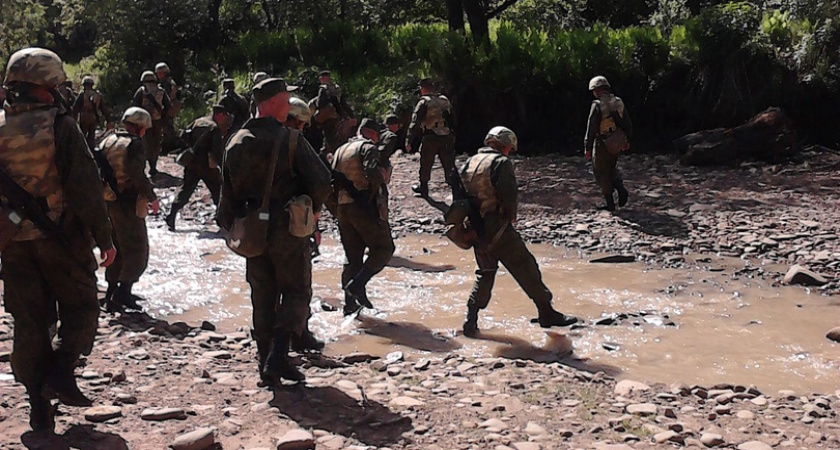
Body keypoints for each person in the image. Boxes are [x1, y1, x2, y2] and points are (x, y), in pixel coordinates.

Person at [0, 47, 116, 433]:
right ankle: (62, 370)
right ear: (46, 85)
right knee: (82, 307)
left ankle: (38, 405)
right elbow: (85, 187)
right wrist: (104, 237)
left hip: (12, 244)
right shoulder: (60, 125)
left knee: (30, 322)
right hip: (61, 239)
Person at [217, 78, 332, 383]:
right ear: (272, 103)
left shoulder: (235, 140)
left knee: (262, 294)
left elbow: (225, 192)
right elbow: (322, 181)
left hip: (252, 229)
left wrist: (229, 226)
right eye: (284, 100)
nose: (287, 106)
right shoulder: (291, 139)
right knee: (297, 290)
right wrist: (315, 210)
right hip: (288, 229)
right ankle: (278, 357)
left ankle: (264, 360)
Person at [459, 126, 578, 337]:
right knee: (526, 266)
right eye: (509, 148)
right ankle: (546, 312)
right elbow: (508, 194)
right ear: (504, 145)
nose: (509, 152)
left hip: (475, 229)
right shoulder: (500, 162)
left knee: (485, 273)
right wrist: (511, 216)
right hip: (498, 227)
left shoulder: (470, 162)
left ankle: (471, 320)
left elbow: (460, 195)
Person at [98, 107, 160, 312]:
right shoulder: (134, 144)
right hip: (127, 202)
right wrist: (152, 197)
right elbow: (137, 174)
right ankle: (123, 292)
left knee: (116, 246)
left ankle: (111, 290)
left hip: (108, 201)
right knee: (137, 248)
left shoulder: (108, 139)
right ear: (140, 126)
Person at [331, 119, 395, 316]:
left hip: (343, 207)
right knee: (384, 248)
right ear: (372, 134)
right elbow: (373, 173)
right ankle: (358, 284)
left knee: (352, 257)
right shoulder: (368, 148)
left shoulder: (340, 150)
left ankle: (350, 306)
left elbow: (330, 179)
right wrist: (378, 186)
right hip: (363, 206)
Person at [282, 96, 325, 352]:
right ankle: (298, 336)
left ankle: (268, 341)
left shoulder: (255, 140)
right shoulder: (297, 145)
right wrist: (316, 219)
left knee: (266, 285)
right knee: (298, 284)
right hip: (293, 225)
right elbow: (320, 183)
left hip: (258, 224)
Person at [165, 105, 230, 231]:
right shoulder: (214, 128)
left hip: (192, 163)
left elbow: (184, 136)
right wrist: (223, 165)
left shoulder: (197, 122)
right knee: (217, 191)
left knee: (186, 190)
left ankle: (171, 215)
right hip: (207, 166)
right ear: (220, 115)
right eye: (225, 116)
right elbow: (217, 151)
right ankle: (222, 221)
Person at [584, 75, 633, 211]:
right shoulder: (618, 101)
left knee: (600, 171)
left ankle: (610, 203)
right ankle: (621, 188)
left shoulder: (597, 105)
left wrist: (587, 147)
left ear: (597, 90)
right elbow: (627, 123)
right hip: (616, 141)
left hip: (603, 142)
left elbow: (592, 127)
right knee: (612, 167)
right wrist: (627, 140)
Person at [406, 78, 456, 197]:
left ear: (423, 89)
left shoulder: (424, 102)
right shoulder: (444, 100)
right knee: (449, 163)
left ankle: (424, 189)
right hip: (446, 135)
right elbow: (453, 118)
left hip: (431, 136)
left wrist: (408, 140)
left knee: (426, 163)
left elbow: (415, 122)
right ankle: (456, 190)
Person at [131, 70, 171, 176]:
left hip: (144, 122)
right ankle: (153, 166)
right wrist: (163, 117)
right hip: (157, 121)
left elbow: (134, 105)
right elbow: (168, 106)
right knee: (156, 144)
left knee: (145, 144)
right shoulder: (161, 91)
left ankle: (146, 166)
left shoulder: (141, 91)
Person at [313, 70, 355, 156]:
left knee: (328, 141)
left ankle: (323, 159)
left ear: (323, 78)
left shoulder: (323, 88)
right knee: (338, 140)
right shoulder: (337, 88)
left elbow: (319, 103)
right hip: (338, 119)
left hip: (328, 119)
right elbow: (344, 103)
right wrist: (351, 116)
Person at [72, 75, 111, 149]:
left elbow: (75, 108)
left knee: (82, 136)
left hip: (83, 119)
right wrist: (109, 120)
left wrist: (73, 119)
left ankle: (83, 151)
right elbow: (104, 109)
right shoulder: (97, 95)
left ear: (84, 85)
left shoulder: (82, 95)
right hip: (93, 119)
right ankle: (92, 151)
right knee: (91, 137)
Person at [155, 62, 183, 155]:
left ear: (165, 72)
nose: (159, 75)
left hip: (169, 107)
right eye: (158, 73)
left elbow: (166, 97)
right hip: (171, 107)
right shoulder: (167, 82)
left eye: (161, 73)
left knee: (167, 129)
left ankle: (181, 145)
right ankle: (167, 148)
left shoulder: (167, 83)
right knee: (167, 128)